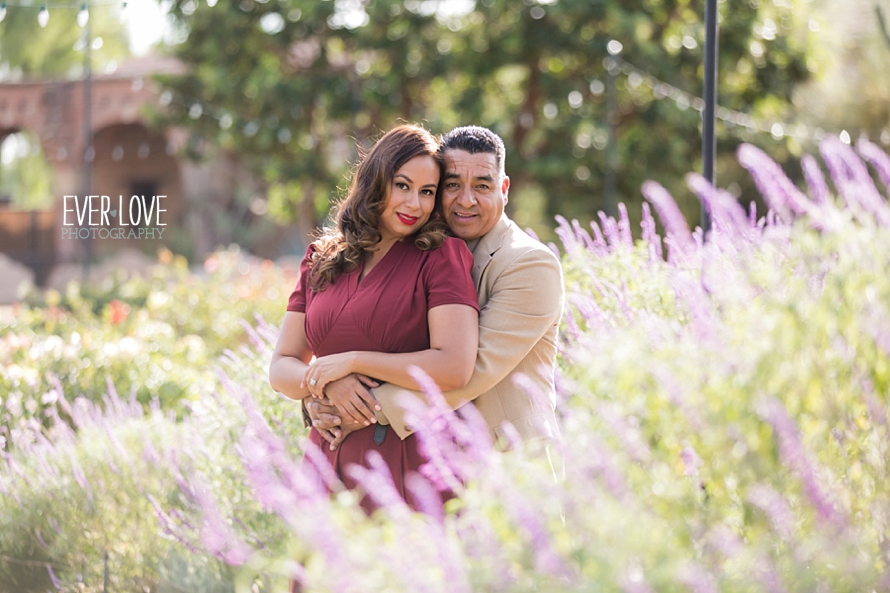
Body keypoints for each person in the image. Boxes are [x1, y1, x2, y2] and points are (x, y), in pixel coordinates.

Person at [308, 125, 565, 452]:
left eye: (482, 186)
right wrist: (325, 389)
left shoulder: (529, 264)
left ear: (504, 188)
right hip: (435, 464)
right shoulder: (422, 254)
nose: (466, 200)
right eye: (453, 185)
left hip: (509, 462)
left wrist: (352, 406)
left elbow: (471, 371)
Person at [268, 124, 479, 510]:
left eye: (427, 192)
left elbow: (454, 366)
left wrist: (351, 364)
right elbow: (281, 367)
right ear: (376, 180)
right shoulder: (320, 259)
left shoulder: (440, 257)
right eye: (402, 185)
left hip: (411, 460)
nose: (414, 204)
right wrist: (326, 385)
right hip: (327, 461)